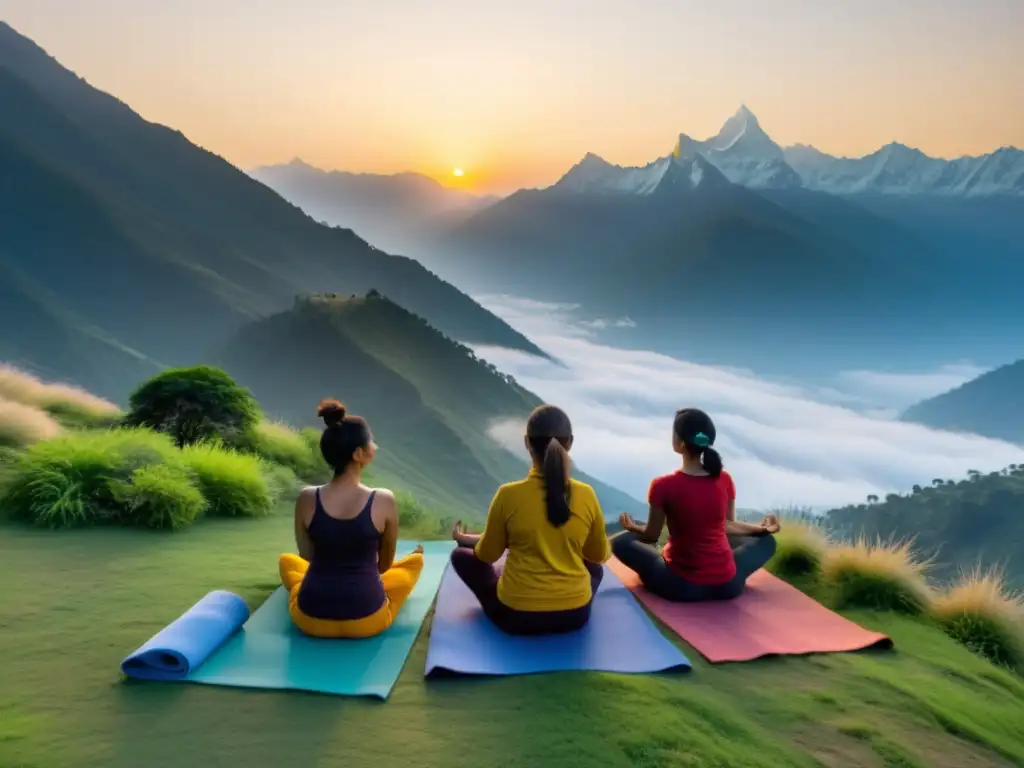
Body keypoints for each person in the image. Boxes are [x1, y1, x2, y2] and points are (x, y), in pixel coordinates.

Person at [449, 404, 611, 635]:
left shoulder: (508, 495)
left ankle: (506, 579)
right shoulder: (586, 494)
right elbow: (598, 556)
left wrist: (466, 540)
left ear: (527, 442)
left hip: (516, 616)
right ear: (570, 443)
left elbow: (487, 555)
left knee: (460, 556)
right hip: (575, 615)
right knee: (595, 570)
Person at [278, 399, 424, 638]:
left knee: (288, 563)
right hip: (367, 620)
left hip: (310, 619)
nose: (374, 446)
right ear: (358, 454)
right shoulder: (384, 499)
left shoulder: (306, 497)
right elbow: (384, 566)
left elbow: (308, 556)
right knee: (405, 573)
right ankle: (414, 560)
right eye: (371, 441)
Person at [612, 407, 779, 602]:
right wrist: (762, 529)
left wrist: (633, 527)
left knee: (620, 543)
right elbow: (727, 525)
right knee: (766, 541)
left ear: (681, 443)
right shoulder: (724, 479)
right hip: (727, 585)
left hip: (680, 587)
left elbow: (651, 535)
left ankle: (664, 561)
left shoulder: (662, 485)